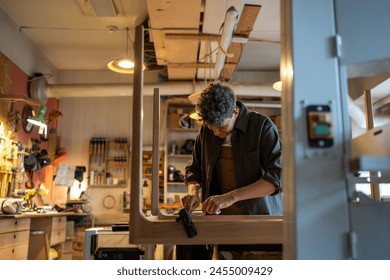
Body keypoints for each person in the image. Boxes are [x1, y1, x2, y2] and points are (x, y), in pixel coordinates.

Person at [176, 82, 282, 260]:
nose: (216, 133)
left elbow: (277, 179)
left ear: (235, 112)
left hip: (259, 223)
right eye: (212, 128)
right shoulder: (207, 131)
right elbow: (194, 168)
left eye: (222, 128)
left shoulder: (262, 126)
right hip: (222, 225)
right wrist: (193, 192)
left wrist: (230, 197)